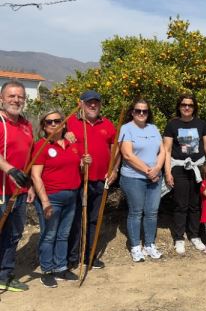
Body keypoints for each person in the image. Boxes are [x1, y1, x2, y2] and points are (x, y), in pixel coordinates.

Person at [31, 110, 90, 287]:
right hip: (51, 197)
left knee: (63, 234)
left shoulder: (73, 144)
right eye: (49, 122)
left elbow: (77, 168)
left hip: (71, 196)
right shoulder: (41, 145)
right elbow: (35, 176)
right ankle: (47, 270)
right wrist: (45, 201)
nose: (54, 124)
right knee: (49, 235)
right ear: (43, 126)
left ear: (64, 124)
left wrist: (84, 162)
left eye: (58, 121)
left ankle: (60, 267)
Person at [66, 90, 118, 270]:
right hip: (78, 180)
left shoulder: (108, 124)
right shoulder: (70, 122)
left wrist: (115, 170)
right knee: (76, 220)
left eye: (96, 102)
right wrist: (65, 135)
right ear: (81, 104)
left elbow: (115, 149)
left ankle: (90, 255)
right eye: (89, 103)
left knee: (94, 219)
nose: (93, 105)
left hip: (101, 180)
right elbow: (56, 141)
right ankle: (73, 257)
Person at [164, 93, 206, 255]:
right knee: (180, 204)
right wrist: (167, 172)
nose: (187, 107)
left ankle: (194, 235)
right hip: (179, 168)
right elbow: (166, 150)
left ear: (194, 107)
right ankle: (179, 238)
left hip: (198, 169)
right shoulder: (172, 125)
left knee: (195, 204)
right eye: (183, 105)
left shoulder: (201, 124)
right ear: (179, 107)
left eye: (190, 105)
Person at [119, 99, 166, 262]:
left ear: (148, 113)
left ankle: (149, 244)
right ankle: (135, 247)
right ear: (132, 112)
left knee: (152, 212)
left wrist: (158, 168)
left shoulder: (153, 128)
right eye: (138, 110)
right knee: (136, 212)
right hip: (134, 178)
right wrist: (148, 171)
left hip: (155, 176)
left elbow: (162, 151)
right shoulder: (126, 129)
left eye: (144, 111)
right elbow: (127, 155)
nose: (141, 113)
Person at [0, 80, 34, 292]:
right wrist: (9, 169)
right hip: (1, 192)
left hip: (19, 192)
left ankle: (4, 275)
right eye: (11, 96)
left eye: (20, 96)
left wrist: (29, 185)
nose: (16, 100)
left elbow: (29, 158)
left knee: (13, 235)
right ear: (2, 99)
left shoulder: (26, 124)